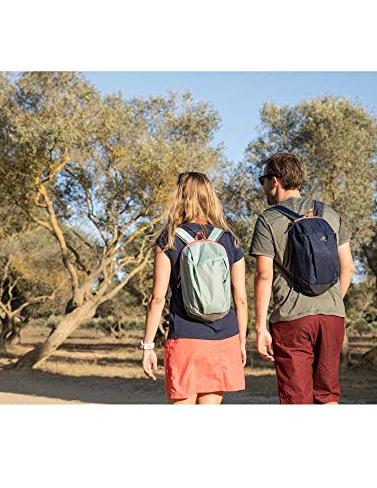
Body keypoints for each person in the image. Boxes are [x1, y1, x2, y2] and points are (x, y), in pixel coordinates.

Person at [249, 152, 355, 404]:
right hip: (332, 317)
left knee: (296, 398)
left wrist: (260, 327)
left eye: (263, 180)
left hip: (292, 318)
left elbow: (264, 275)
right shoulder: (329, 214)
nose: (262, 186)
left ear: (274, 181)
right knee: (327, 394)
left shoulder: (268, 219)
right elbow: (349, 267)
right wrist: (331, 302)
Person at [141, 171, 247, 404]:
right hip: (224, 338)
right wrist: (241, 342)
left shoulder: (169, 239)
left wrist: (148, 346)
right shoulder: (229, 239)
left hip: (185, 338)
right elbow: (240, 299)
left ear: (179, 196)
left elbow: (157, 299)